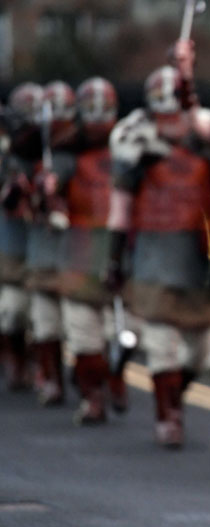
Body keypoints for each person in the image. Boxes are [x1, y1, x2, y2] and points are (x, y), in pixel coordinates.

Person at [106, 40, 210, 447]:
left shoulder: (202, 132)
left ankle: (176, 394)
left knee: (199, 351)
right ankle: (167, 415)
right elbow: (120, 206)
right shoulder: (134, 137)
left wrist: (188, 76)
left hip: (198, 252)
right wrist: (114, 260)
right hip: (153, 251)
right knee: (161, 344)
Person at [57, 77, 128, 424]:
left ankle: (113, 378)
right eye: (92, 109)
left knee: (126, 334)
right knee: (85, 336)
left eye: (105, 109)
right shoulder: (66, 153)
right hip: (81, 252)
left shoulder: (132, 148)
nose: (99, 117)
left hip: (123, 253)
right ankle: (93, 395)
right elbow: (49, 194)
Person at [27, 80, 78, 407]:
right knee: (46, 322)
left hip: (78, 249)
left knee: (84, 327)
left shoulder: (85, 151)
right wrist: (35, 194)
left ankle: (91, 379)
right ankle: (52, 379)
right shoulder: (28, 152)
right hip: (45, 246)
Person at [0, 82, 43, 392]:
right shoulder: (6, 153)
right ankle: (14, 356)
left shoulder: (56, 149)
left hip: (46, 239)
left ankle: (42, 364)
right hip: (11, 239)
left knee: (44, 315)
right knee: (13, 309)